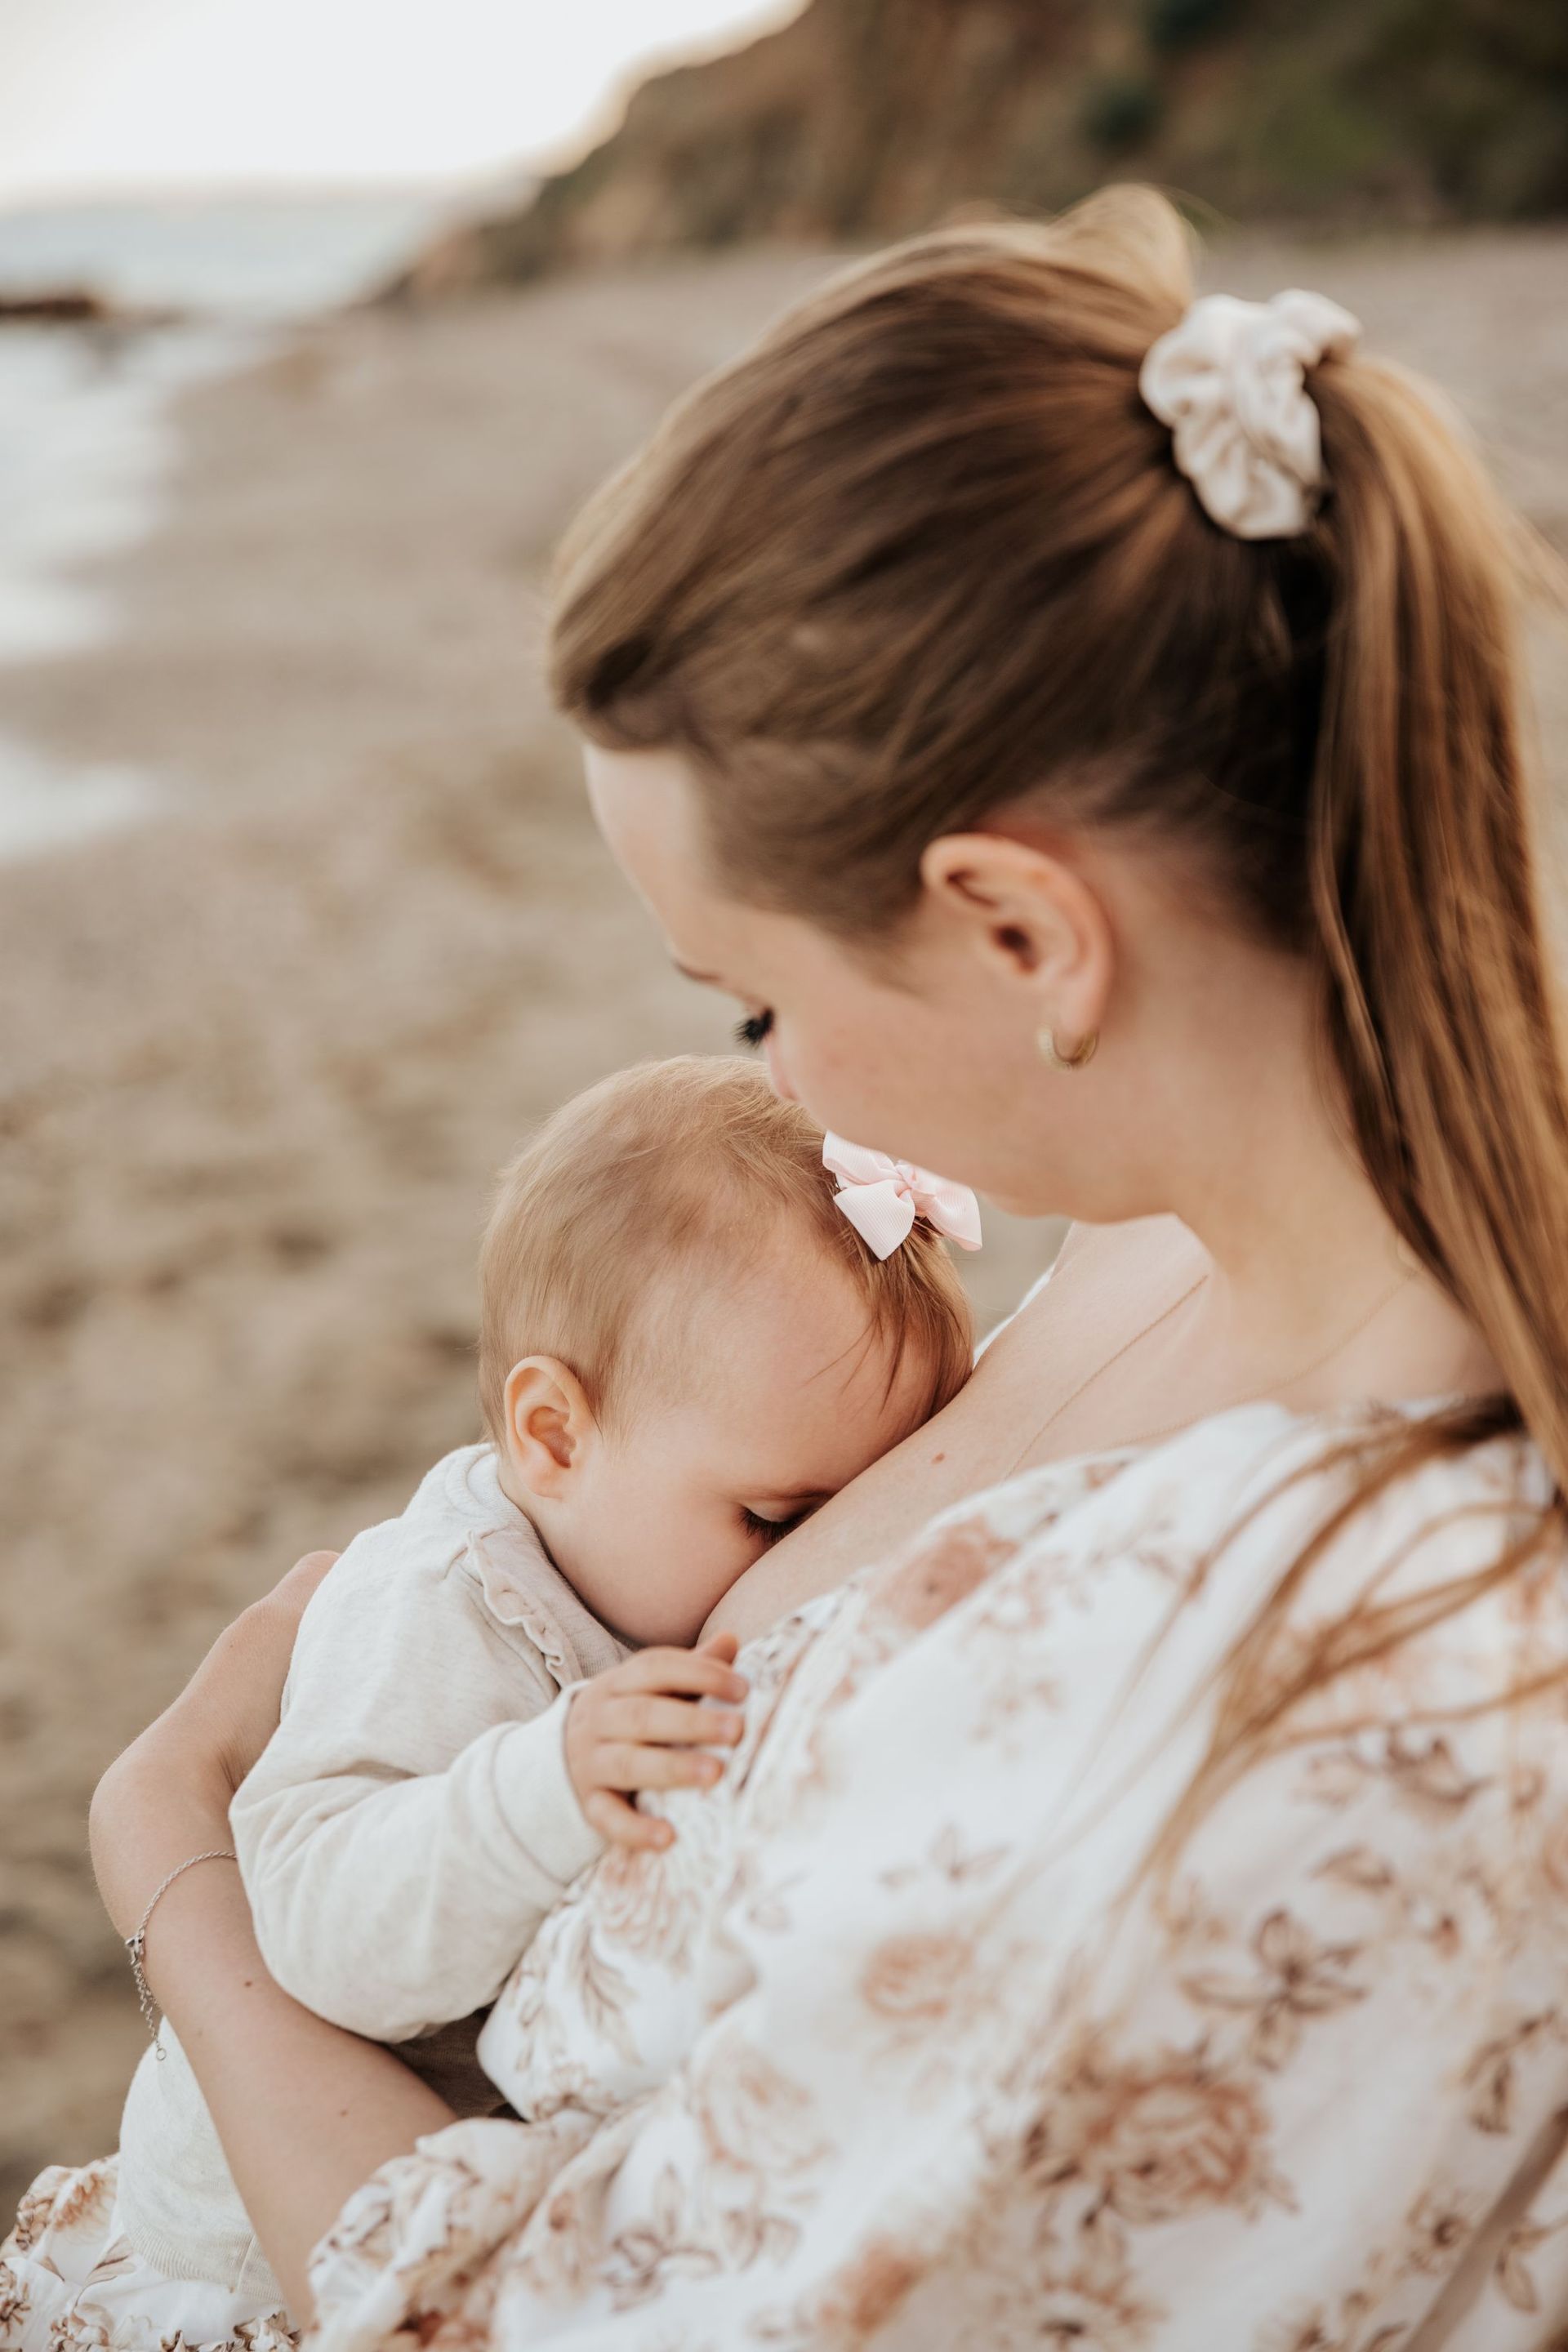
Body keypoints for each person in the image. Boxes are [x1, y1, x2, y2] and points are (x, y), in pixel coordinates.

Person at [10, 180, 1568, 2348]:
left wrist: (167, 1862)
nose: (771, 1074)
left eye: (750, 999)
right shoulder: (1169, 1250)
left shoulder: (1271, 1679)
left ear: (1024, 930)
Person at [1, 1059, 973, 2348]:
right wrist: (540, 1785)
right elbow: (311, 1919)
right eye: (776, 1521)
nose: (797, 1564)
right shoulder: (450, 1604)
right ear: (556, 1438)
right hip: (255, 2259)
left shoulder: (634, 1552)